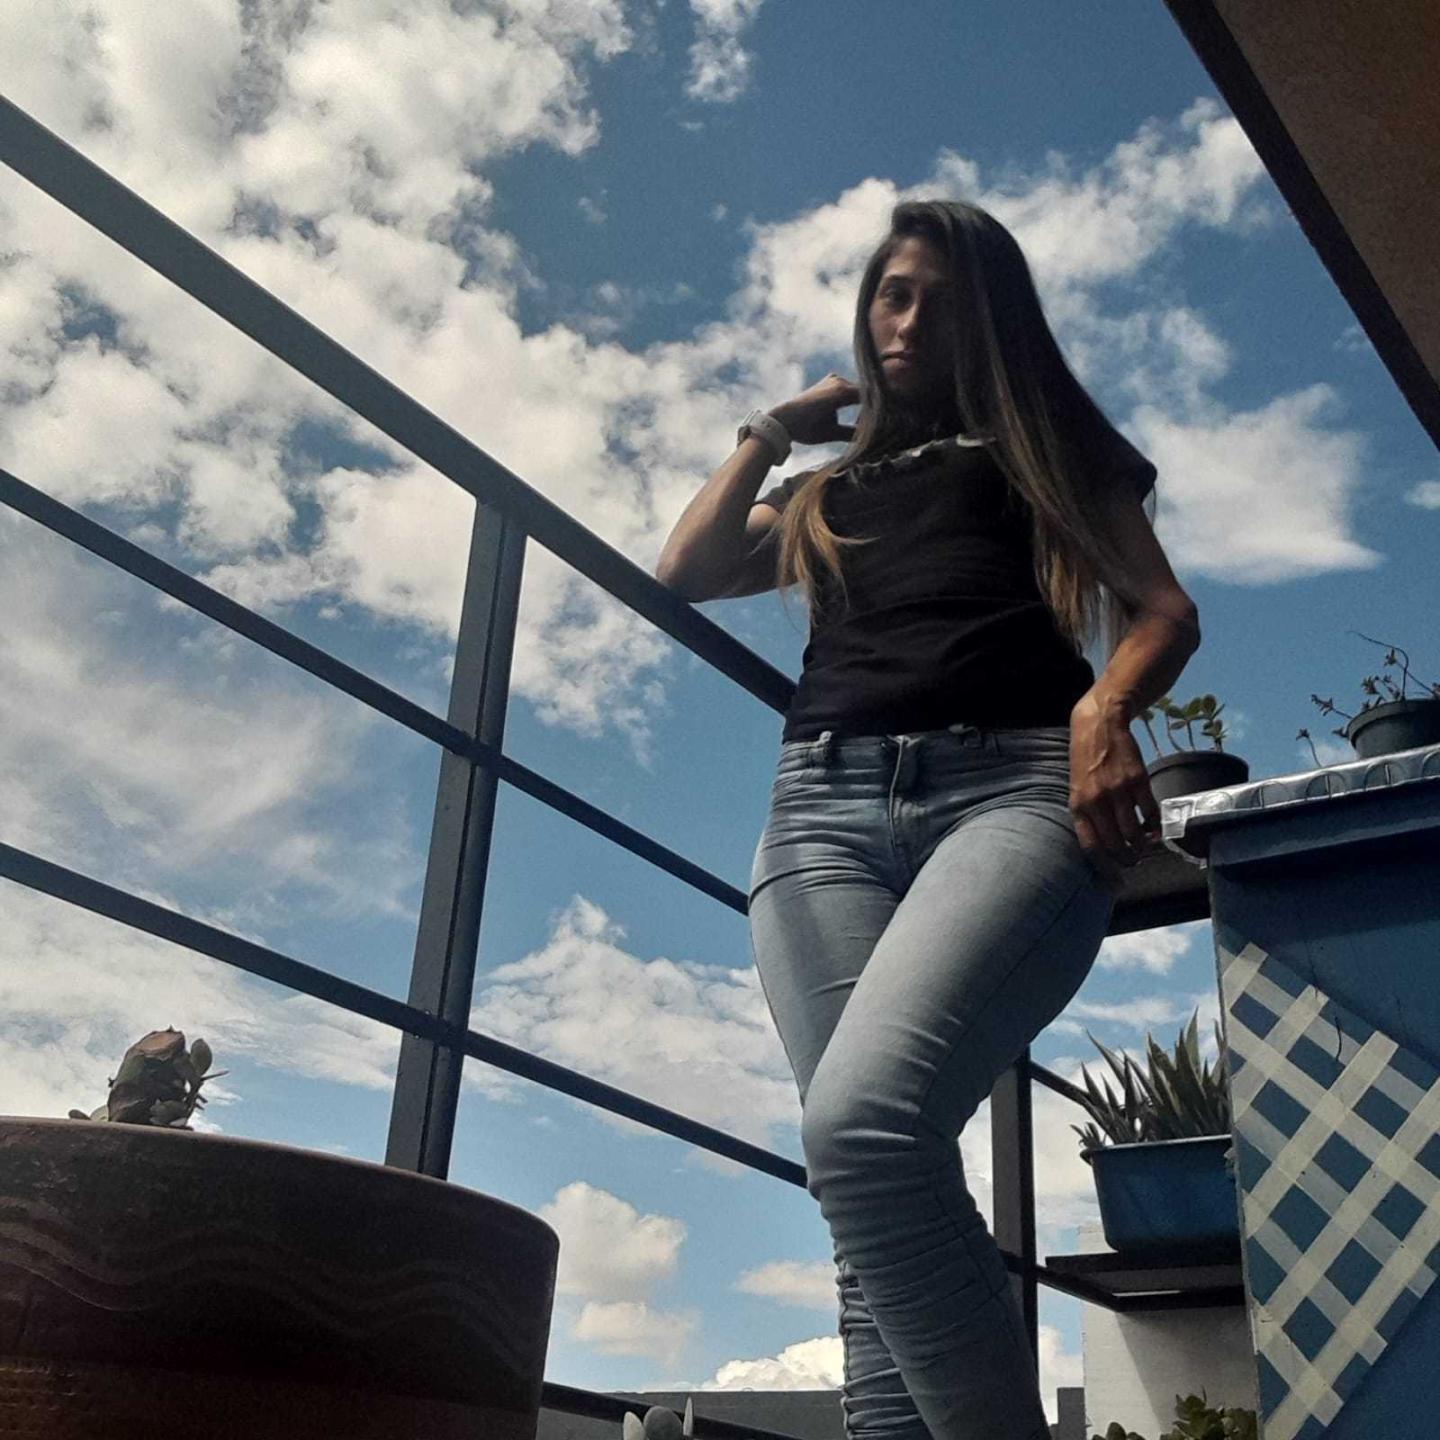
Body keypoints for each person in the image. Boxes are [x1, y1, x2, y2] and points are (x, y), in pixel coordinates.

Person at [654, 199, 1200, 1440]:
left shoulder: (1045, 448)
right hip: (821, 818)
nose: (904, 323)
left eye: (939, 304)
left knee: (861, 1134)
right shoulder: (829, 488)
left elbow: (1164, 609)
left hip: (1011, 792)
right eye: (890, 296)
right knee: (870, 1206)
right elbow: (684, 569)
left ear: (989, 324)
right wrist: (771, 431)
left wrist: (1105, 707)